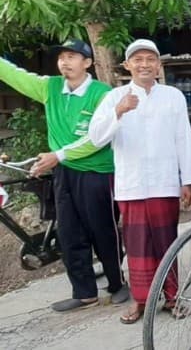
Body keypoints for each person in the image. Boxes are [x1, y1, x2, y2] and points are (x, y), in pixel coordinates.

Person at [0, 39, 127, 311]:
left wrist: (58, 155)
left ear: (88, 62)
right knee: (69, 233)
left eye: (72, 56)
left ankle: (117, 284)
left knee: (103, 232)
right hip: (63, 173)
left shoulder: (103, 94)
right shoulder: (51, 88)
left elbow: (98, 140)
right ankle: (85, 293)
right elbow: (13, 74)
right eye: (61, 58)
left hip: (97, 173)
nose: (65, 62)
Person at [88, 39, 191, 324]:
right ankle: (141, 300)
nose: (144, 64)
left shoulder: (173, 95)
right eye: (138, 59)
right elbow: (96, 137)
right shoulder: (115, 97)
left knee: (167, 241)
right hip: (132, 184)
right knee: (137, 245)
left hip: (164, 182)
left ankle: (172, 296)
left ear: (159, 65)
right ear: (127, 65)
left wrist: (187, 180)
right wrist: (119, 111)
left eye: (150, 59)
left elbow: (183, 140)